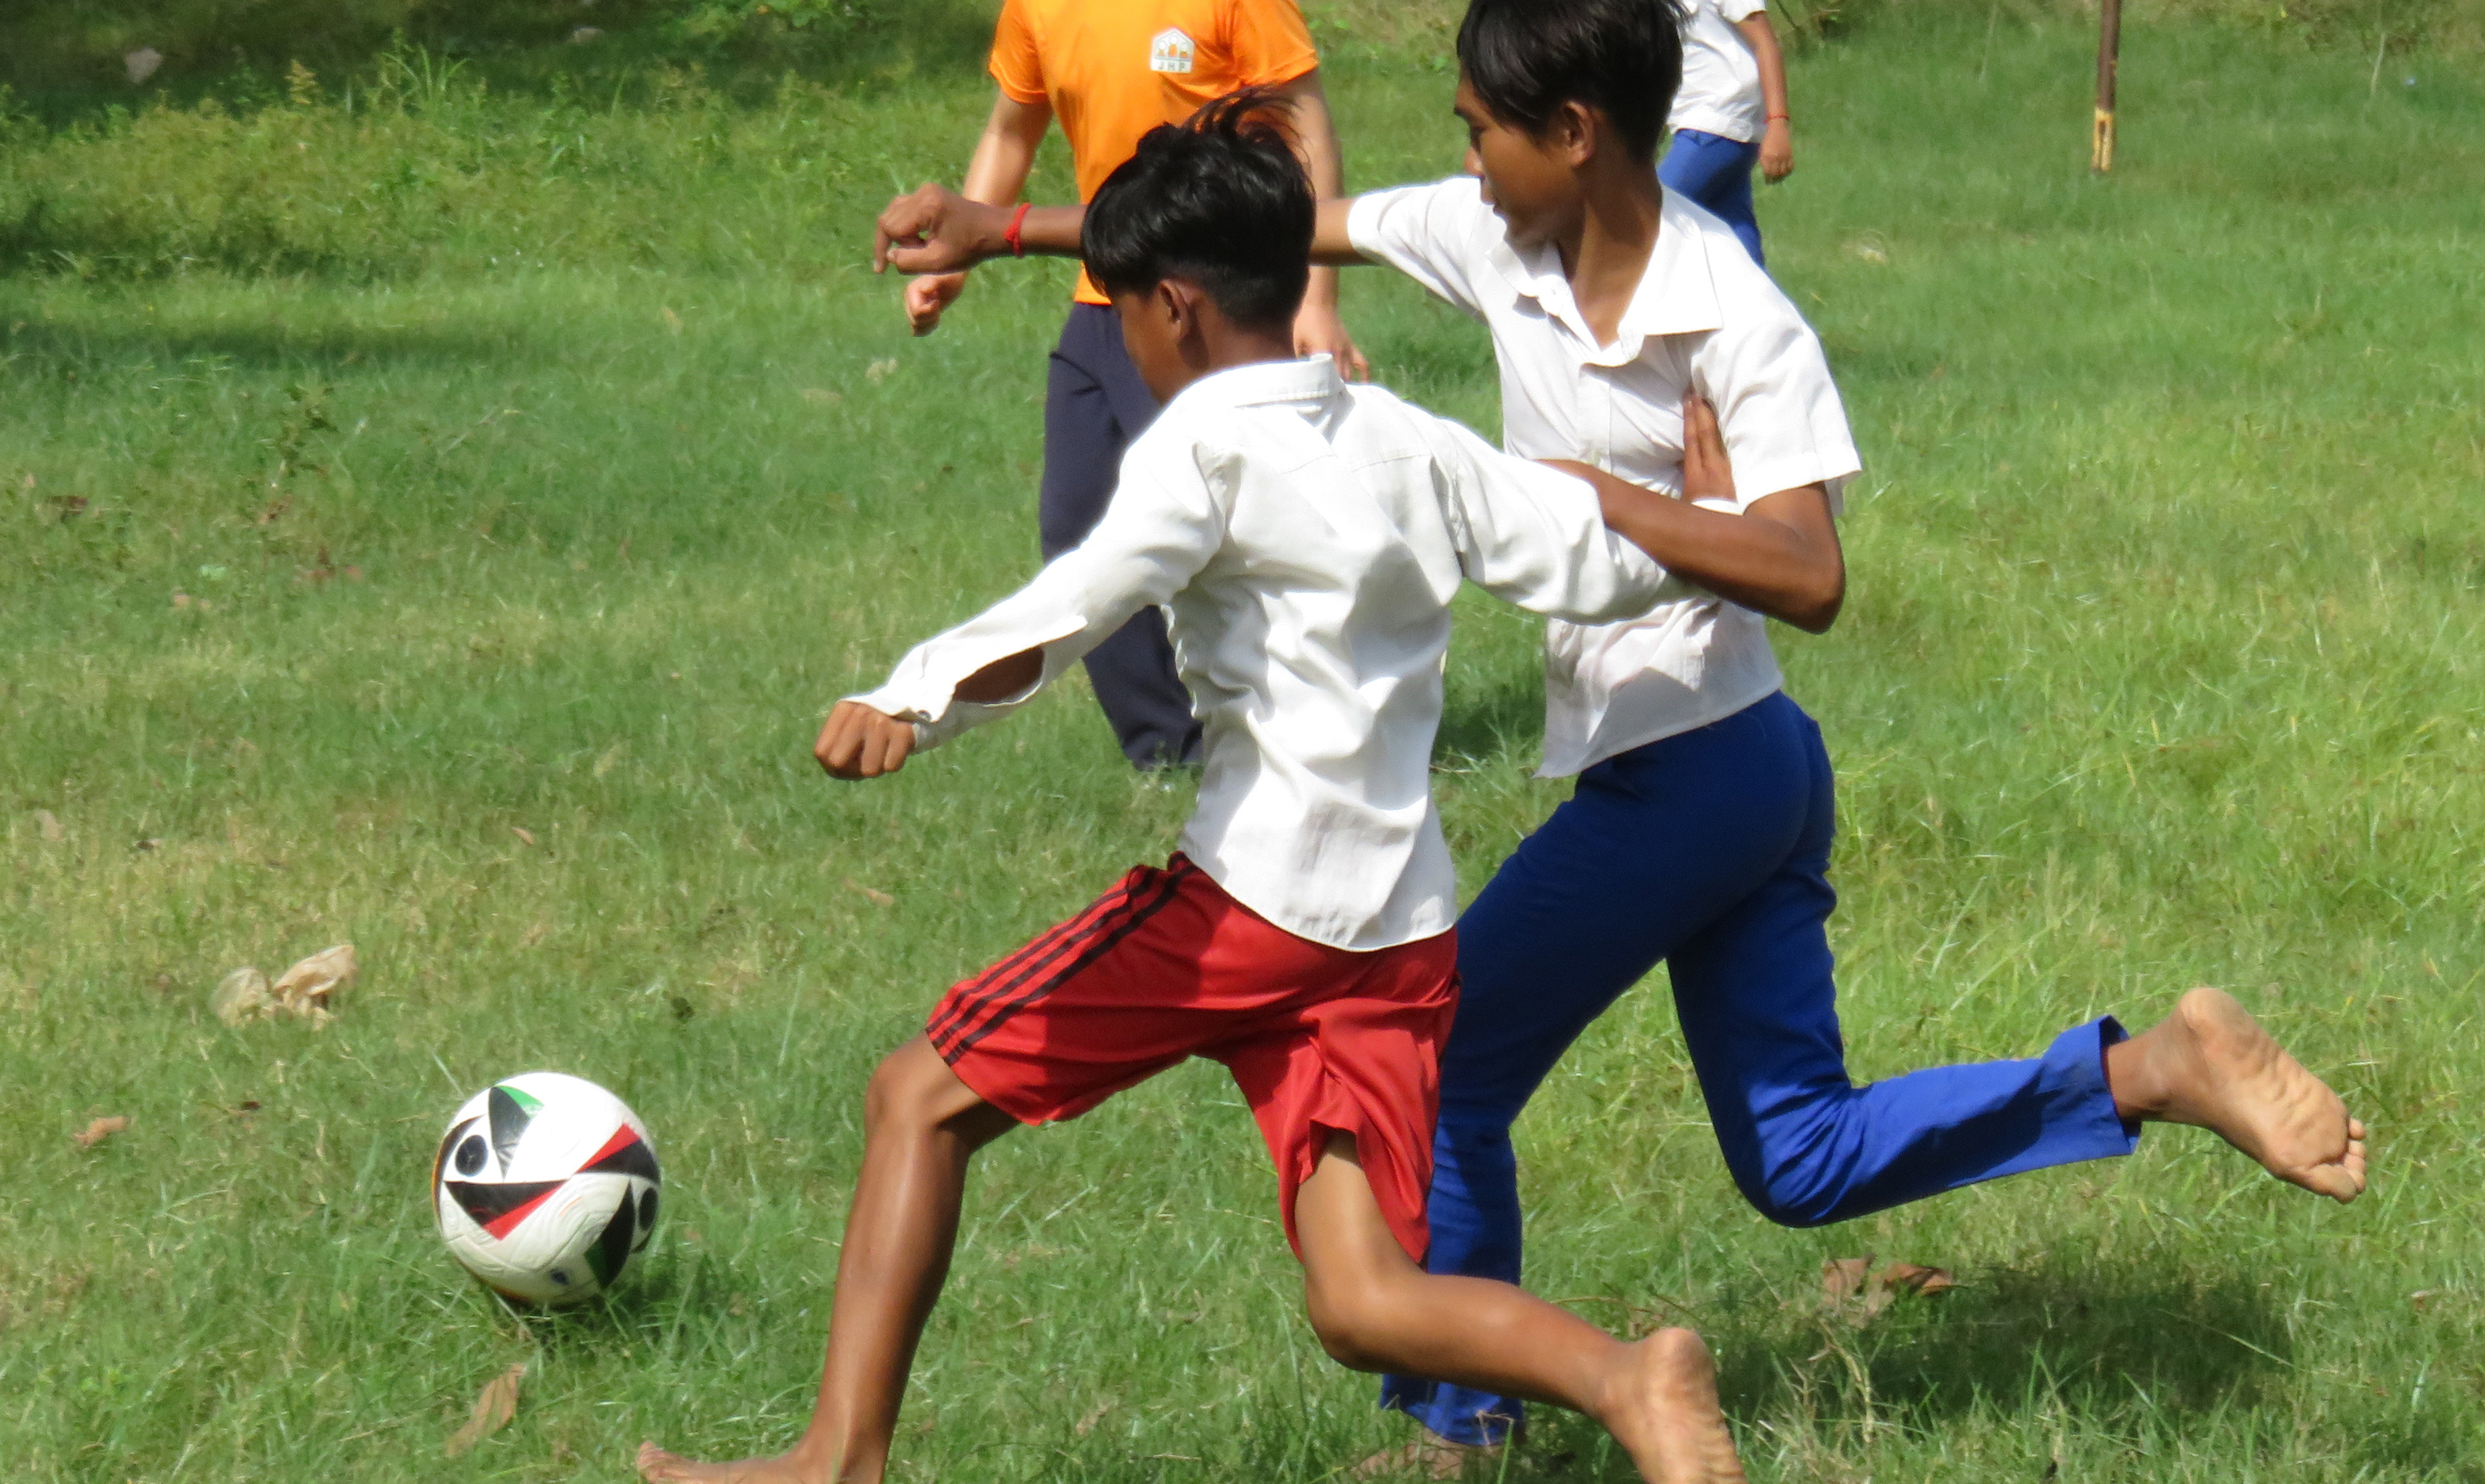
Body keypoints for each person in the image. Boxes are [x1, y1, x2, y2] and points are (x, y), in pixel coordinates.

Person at [869, 0, 2369, 1465]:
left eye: (1477, 133)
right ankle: (2150, 1069)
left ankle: (1462, 1432)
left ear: (1572, 132)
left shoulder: (1736, 314)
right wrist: (1002, 233)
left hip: (1695, 770)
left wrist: (1602, 490)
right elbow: (1275, 240)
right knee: (1799, 1154)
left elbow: (1808, 571)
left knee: (1446, 1067)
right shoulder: (1494, 235)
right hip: (1743, 770)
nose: (1459, 166)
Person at [640, 97, 1755, 1484]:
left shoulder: (1203, 444)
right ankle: (1628, 1375)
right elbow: (1588, 556)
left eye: (1117, 312)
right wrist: (1705, 532)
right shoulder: (1407, 436)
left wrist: (908, 698)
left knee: (914, 1098)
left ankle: (833, 1463)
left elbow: (1075, 606)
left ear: (1171, 308)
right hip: (1397, 930)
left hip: (1250, 910)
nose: (1116, 339)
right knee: (1356, 1305)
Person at [894, 0, 1366, 771]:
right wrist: (955, 257)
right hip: (1107, 299)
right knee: (1078, 518)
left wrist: (1315, 298)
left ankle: (1320, 727)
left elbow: (1304, 125)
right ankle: (1170, 750)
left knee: (1248, 525)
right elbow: (1011, 128)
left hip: (1217, 300)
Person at [1660, 0, 1791, 266]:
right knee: (1736, 238)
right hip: (1702, 123)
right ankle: (1759, 305)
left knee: (1651, 217)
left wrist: (1778, 123)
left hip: (1719, 121)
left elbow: (1765, 43)